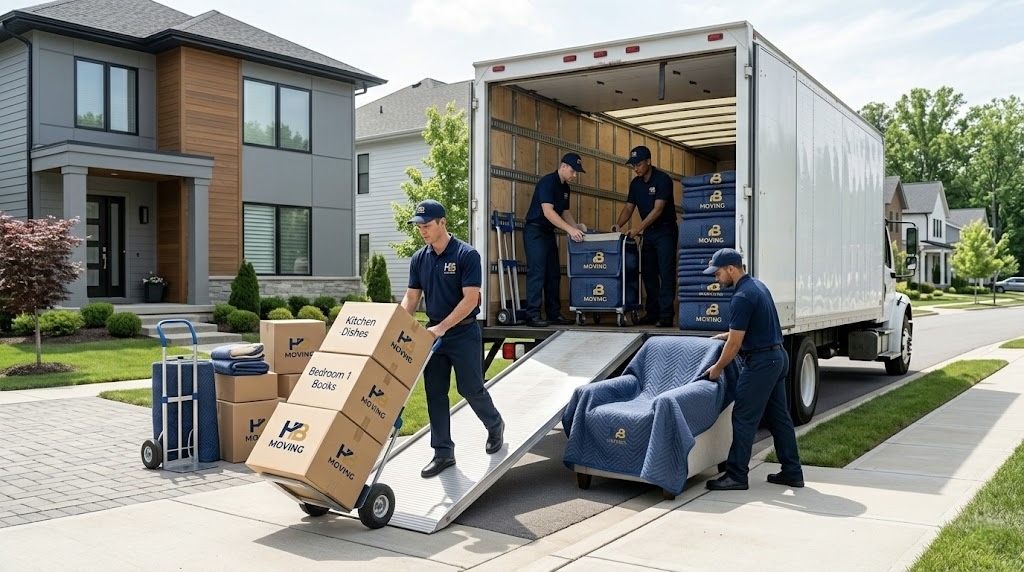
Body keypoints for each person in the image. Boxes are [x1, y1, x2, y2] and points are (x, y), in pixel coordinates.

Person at [402, 199, 505, 479]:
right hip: (433, 334)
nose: (422, 230)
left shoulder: (466, 255)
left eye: (426, 225)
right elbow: (412, 297)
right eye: (419, 226)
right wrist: (396, 326)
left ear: (442, 223)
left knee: (470, 389)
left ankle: (495, 424)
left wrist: (443, 327)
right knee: (435, 393)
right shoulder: (419, 258)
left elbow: (471, 300)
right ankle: (443, 452)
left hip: (462, 332)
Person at [700, 248, 804, 491]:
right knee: (780, 419)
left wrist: (716, 368)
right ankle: (792, 471)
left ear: (731, 269)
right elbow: (753, 327)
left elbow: (735, 345)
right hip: (777, 357)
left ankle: (736, 475)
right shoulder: (757, 286)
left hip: (761, 364)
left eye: (717, 273)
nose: (716, 278)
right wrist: (726, 335)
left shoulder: (741, 297)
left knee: (744, 418)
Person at [611, 145, 678, 327]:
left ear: (648, 161)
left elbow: (658, 210)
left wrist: (638, 228)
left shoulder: (662, 180)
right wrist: (619, 225)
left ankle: (666, 315)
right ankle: (652, 312)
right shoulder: (636, 184)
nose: (636, 168)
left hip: (665, 231)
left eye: (639, 164)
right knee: (648, 273)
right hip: (649, 233)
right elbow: (629, 208)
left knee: (665, 273)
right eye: (633, 165)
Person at [523, 153, 588, 327]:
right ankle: (533, 315)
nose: (575, 175)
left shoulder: (565, 188)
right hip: (535, 231)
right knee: (537, 272)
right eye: (573, 171)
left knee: (553, 273)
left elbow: (565, 212)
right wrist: (569, 230)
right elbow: (548, 212)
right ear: (564, 166)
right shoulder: (547, 182)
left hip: (548, 232)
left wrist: (576, 228)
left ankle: (553, 314)